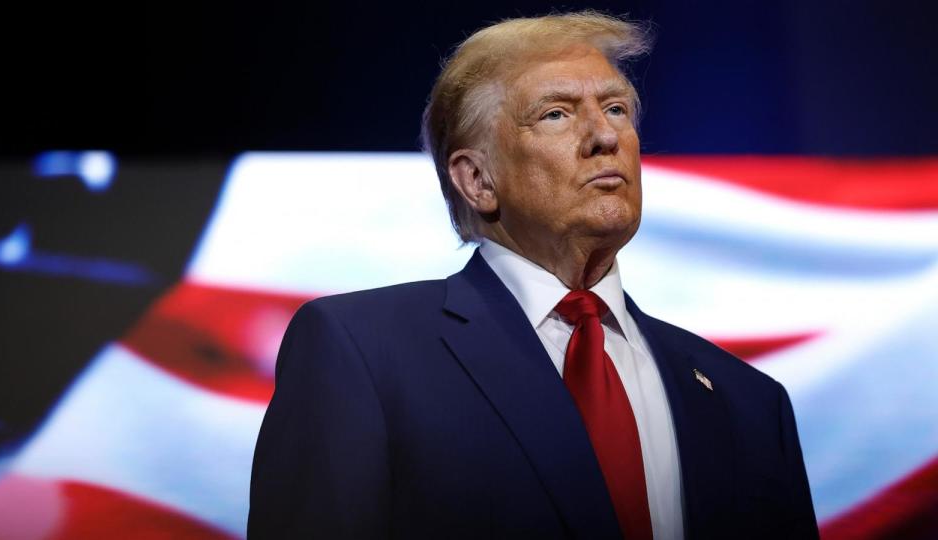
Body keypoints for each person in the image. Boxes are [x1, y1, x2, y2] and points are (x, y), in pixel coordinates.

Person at [248, 11, 819, 540]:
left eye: (617, 109)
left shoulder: (749, 403)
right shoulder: (365, 353)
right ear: (477, 180)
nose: (605, 136)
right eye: (556, 114)